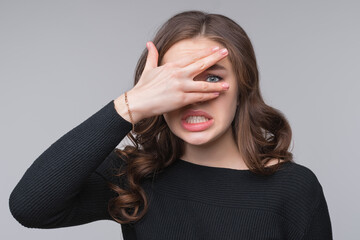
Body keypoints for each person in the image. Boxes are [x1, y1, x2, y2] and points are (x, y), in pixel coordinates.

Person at [9, 10, 333, 239]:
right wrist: (130, 105)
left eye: (212, 78)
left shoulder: (294, 188)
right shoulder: (134, 177)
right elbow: (30, 207)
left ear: (243, 86)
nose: (194, 97)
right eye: (176, 82)